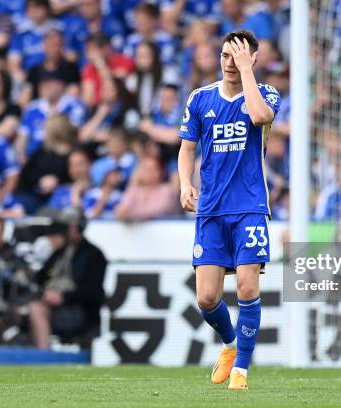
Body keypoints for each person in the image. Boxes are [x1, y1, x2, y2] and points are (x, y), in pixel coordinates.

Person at [177, 30, 281, 390]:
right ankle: (230, 346)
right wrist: (185, 183)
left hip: (250, 207)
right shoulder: (200, 98)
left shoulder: (266, 93)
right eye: (224, 55)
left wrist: (247, 72)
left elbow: (258, 116)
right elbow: (187, 148)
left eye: (236, 56)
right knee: (207, 298)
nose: (229, 62)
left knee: (248, 288)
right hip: (211, 210)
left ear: (253, 58)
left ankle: (242, 371)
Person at [28, 208, 107, 349]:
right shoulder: (58, 252)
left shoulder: (94, 255)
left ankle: (44, 356)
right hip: (50, 301)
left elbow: (93, 290)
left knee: (36, 309)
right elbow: (40, 278)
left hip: (77, 308)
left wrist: (64, 297)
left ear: (76, 228)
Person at [114, 155, 179, 221]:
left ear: (160, 172)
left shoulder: (167, 190)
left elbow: (159, 210)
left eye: (152, 169)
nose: (149, 173)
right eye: (145, 169)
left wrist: (131, 214)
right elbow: (121, 209)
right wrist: (123, 212)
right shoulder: (135, 190)